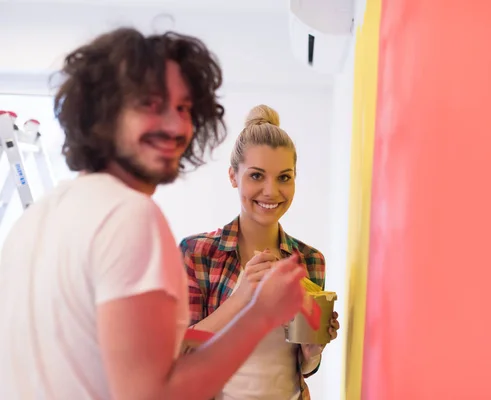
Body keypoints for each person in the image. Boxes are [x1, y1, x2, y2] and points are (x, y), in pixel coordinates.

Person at [0, 28, 309, 400]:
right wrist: (258, 314)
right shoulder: (128, 217)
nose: (177, 124)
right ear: (103, 109)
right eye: (150, 103)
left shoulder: (37, 217)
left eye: (183, 108)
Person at [180, 105, 340, 400]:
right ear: (233, 176)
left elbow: (301, 368)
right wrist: (242, 298)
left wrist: (313, 349)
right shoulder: (197, 253)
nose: (271, 191)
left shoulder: (309, 261)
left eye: (284, 177)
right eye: (256, 176)